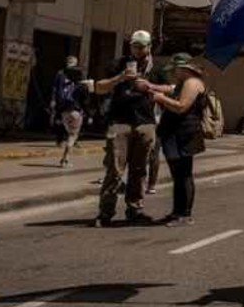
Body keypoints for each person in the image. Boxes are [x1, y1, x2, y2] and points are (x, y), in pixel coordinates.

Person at [92, 30, 172, 227]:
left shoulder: (157, 68)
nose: (136, 49)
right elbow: (99, 87)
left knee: (139, 170)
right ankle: (105, 212)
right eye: (134, 45)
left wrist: (150, 86)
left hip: (145, 122)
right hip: (119, 122)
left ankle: (135, 209)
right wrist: (119, 78)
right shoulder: (118, 64)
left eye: (141, 46)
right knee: (114, 169)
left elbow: (171, 88)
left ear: (149, 47)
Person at [149, 53, 208, 227]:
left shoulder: (192, 83)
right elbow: (170, 88)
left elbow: (181, 107)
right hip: (176, 134)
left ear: (183, 69)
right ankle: (177, 212)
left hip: (184, 134)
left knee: (184, 174)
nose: (173, 73)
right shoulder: (184, 82)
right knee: (178, 175)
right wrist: (152, 87)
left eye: (175, 70)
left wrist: (160, 99)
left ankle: (185, 214)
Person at [53, 57, 88, 167]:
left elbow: (55, 89)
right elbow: (85, 100)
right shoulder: (80, 85)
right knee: (73, 136)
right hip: (76, 112)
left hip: (64, 111)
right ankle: (65, 159)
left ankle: (63, 150)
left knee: (68, 132)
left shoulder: (62, 78)